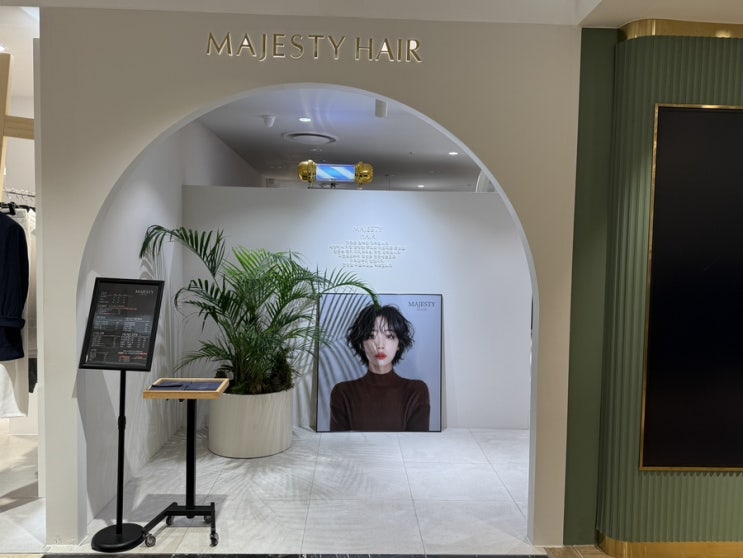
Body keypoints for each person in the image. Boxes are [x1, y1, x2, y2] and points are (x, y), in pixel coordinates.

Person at [330, 303, 430, 431]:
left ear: (399, 344)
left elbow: (417, 442)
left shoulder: (416, 391)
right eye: (371, 336)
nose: (380, 345)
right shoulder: (342, 393)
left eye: (389, 336)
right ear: (361, 344)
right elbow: (339, 441)